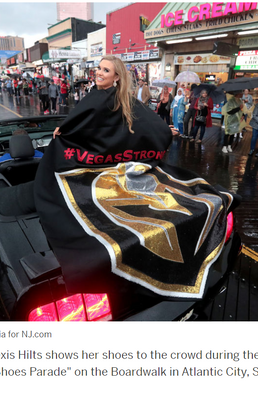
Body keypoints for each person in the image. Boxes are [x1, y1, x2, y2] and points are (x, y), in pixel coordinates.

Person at [35, 55, 235, 300]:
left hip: (109, 168)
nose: (99, 73)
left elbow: (148, 123)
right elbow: (81, 126)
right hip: (104, 167)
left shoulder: (122, 101)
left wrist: (165, 131)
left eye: (105, 70)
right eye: (99, 68)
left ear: (116, 77)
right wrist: (64, 131)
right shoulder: (108, 99)